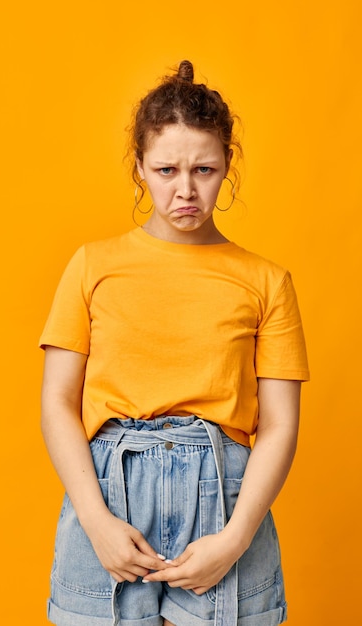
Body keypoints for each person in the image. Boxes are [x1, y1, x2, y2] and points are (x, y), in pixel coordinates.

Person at [39, 60, 309, 626]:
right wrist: (95, 521)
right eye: (165, 169)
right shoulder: (92, 266)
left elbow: (280, 424)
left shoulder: (267, 281)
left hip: (224, 495)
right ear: (139, 167)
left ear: (226, 167)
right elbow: (58, 403)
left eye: (204, 169)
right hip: (111, 493)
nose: (185, 190)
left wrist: (235, 539)